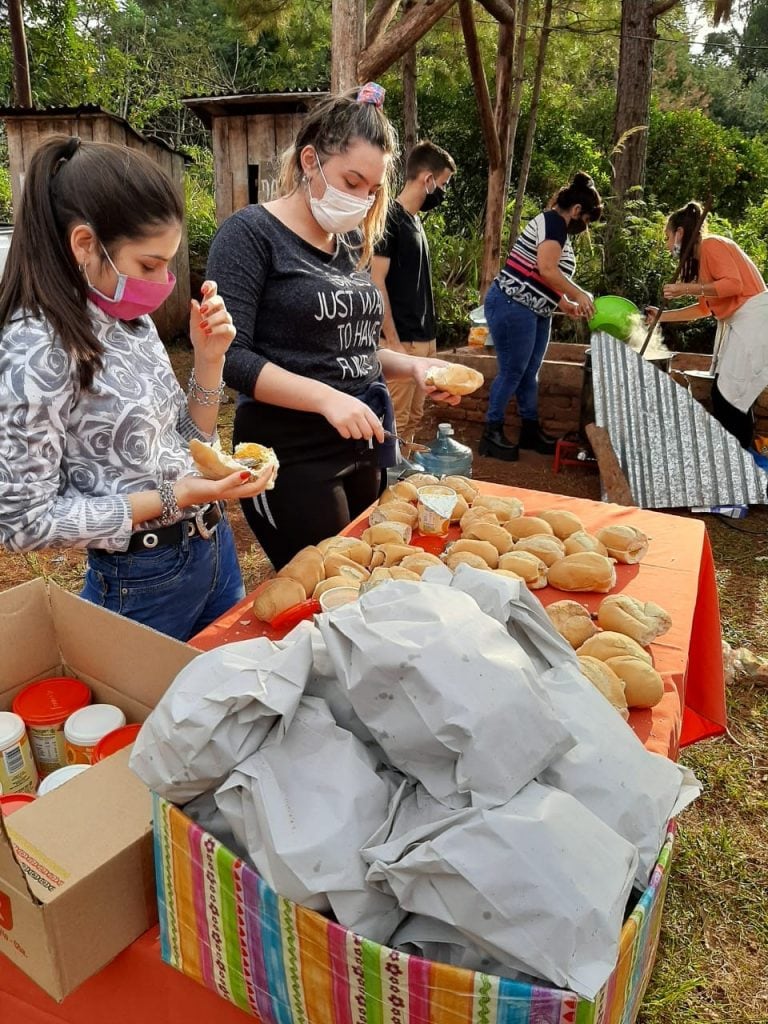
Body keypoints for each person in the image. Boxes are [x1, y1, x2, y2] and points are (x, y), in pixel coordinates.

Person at [0, 136, 275, 641]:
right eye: (149, 265)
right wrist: (172, 499)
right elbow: (22, 522)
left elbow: (186, 442)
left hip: (212, 551)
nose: (164, 281)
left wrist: (210, 359)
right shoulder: (35, 348)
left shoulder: (127, 317)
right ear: (85, 244)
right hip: (140, 579)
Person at [206, 84, 460, 571]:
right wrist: (326, 398)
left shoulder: (344, 249)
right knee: (325, 584)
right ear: (309, 161)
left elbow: (356, 349)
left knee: (363, 577)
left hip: (362, 441)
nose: (362, 200)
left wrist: (413, 365)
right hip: (289, 453)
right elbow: (231, 357)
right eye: (352, 180)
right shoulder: (250, 233)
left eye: (372, 190)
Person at [480, 172, 602, 461]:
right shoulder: (553, 224)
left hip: (534, 308)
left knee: (528, 373)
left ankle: (530, 429)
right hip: (513, 304)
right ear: (576, 211)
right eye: (585, 221)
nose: (583, 227)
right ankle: (491, 432)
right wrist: (579, 294)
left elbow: (541, 276)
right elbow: (547, 269)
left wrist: (563, 301)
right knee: (512, 371)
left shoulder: (555, 226)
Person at [646, 201, 768, 449]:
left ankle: (740, 463)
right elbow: (704, 309)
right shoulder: (702, 261)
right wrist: (661, 317)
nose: (668, 245)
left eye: (668, 237)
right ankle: (742, 461)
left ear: (680, 233)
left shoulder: (712, 244)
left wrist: (686, 289)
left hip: (754, 320)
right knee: (732, 398)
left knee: (728, 399)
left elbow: (734, 285)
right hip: (741, 323)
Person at [370, 141, 456, 454]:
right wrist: (391, 340)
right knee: (395, 419)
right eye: (443, 183)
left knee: (414, 417)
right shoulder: (389, 219)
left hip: (423, 339)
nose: (442, 191)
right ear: (427, 179)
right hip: (401, 340)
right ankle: (385, 488)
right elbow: (376, 282)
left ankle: (401, 478)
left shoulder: (415, 220)